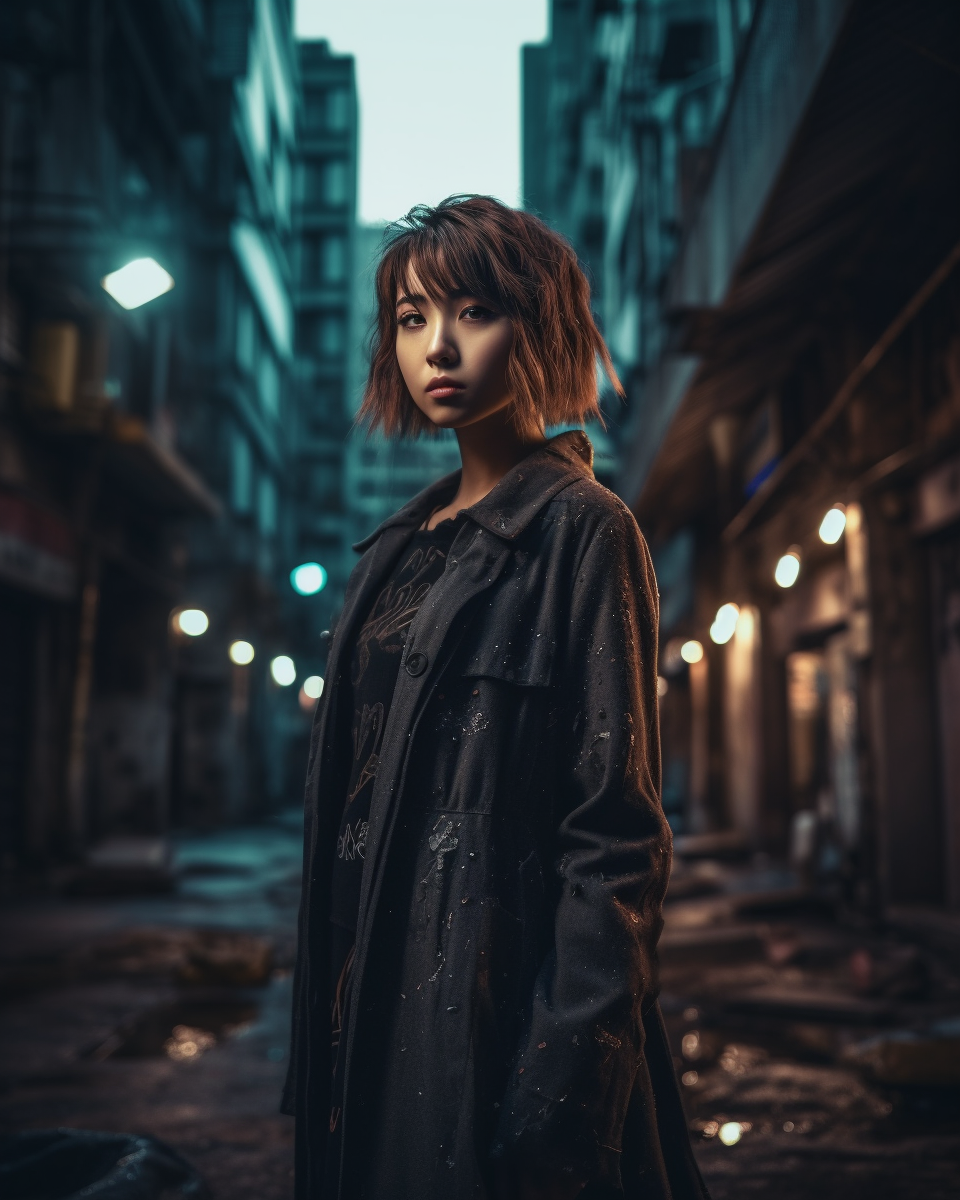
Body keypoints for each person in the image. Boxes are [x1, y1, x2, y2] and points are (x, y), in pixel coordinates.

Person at [282, 195, 709, 1200]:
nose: (438, 347)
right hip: (368, 1009)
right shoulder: (391, 554)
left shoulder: (583, 533)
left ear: (538, 325)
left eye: (472, 312)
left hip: (501, 1016)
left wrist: (563, 1079)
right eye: (411, 317)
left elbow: (614, 833)